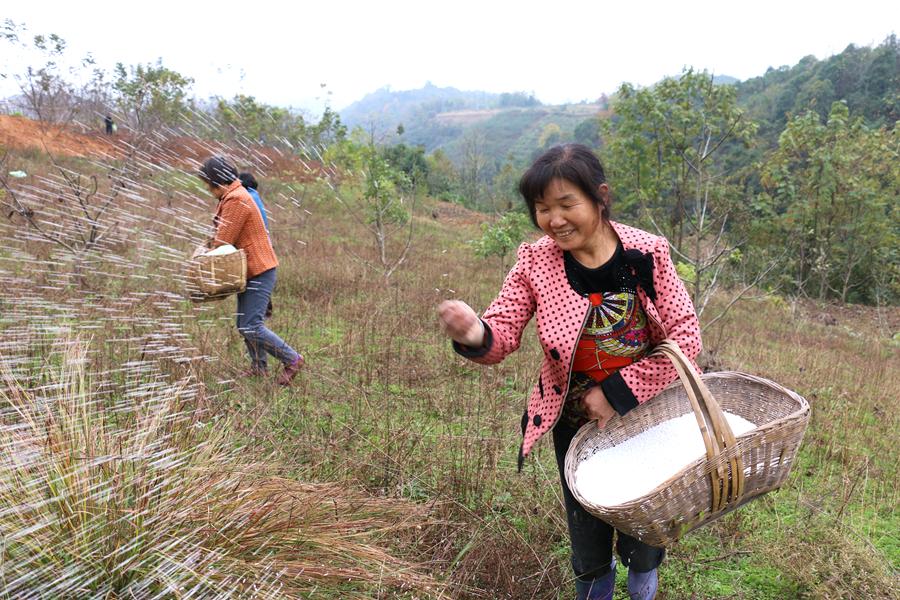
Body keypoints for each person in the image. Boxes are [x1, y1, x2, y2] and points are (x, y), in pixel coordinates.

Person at [437, 144, 702, 600]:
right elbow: (501, 330)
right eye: (542, 208)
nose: (554, 220)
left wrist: (618, 393)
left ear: (599, 197)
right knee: (589, 528)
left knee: (646, 523)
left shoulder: (646, 254)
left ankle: (643, 589)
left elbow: (687, 337)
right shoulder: (536, 262)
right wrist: (474, 333)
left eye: (566, 204)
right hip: (576, 422)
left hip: (648, 413)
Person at [199, 156, 303, 385]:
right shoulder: (233, 195)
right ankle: (259, 368)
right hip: (250, 270)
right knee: (244, 325)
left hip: (260, 269)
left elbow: (223, 242)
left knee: (251, 325)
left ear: (217, 181)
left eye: (208, 184)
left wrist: (202, 256)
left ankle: (293, 359)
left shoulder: (237, 199)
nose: (208, 190)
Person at [238, 171, 273, 319]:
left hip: (256, 253)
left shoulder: (246, 199)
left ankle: (262, 313)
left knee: (254, 293)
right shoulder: (255, 196)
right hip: (265, 249)